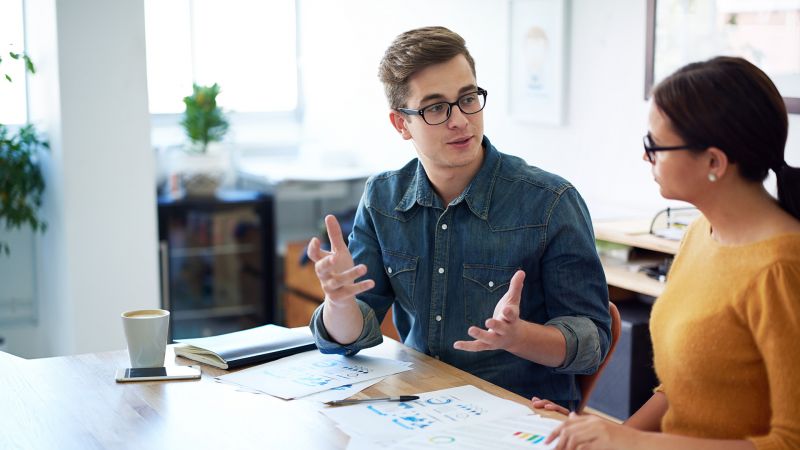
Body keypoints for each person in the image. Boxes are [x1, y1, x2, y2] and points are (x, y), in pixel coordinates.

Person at [305, 26, 611, 406]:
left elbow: (593, 341)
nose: (460, 120)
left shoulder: (550, 202)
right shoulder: (383, 197)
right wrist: (338, 303)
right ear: (401, 124)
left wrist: (519, 337)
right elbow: (352, 339)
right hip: (416, 405)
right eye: (436, 107)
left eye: (468, 98)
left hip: (516, 413)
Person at [538, 56, 800, 449]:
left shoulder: (780, 269)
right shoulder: (700, 233)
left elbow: (789, 442)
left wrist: (632, 443)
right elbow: (682, 389)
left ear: (714, 161)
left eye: (654, 145)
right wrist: (604, 432)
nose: (647, 157)